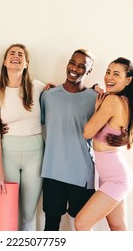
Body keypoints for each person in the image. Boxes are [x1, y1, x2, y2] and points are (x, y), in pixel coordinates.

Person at [74, 57, 133, 231]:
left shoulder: (112, 101)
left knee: (81, 223)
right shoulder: (126, 102)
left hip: (115, 178)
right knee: (117, 227)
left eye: (116, 74)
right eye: (108, 72)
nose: (109, 77)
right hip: (113, 175)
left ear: (128, 79)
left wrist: (96, 110)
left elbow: (87, 132)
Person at [0, 43, 45, 231]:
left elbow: (61, 99)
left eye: (20, 54)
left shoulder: (38, 87)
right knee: (6, 212)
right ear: (5, 62)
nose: (16, 56)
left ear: (26, 63)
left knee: (28, 214)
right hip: (8, 156)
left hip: (35, 155)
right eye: (11, 53)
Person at [40, 48, 98, 231]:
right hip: (52, 171)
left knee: (83, 227)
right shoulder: (48, 96)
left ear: (88, 72)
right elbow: (34, 124)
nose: (75, 68)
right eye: (72, 63)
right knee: (50, 226)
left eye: (82, 66)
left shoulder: (96, 99)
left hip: (82, 174)